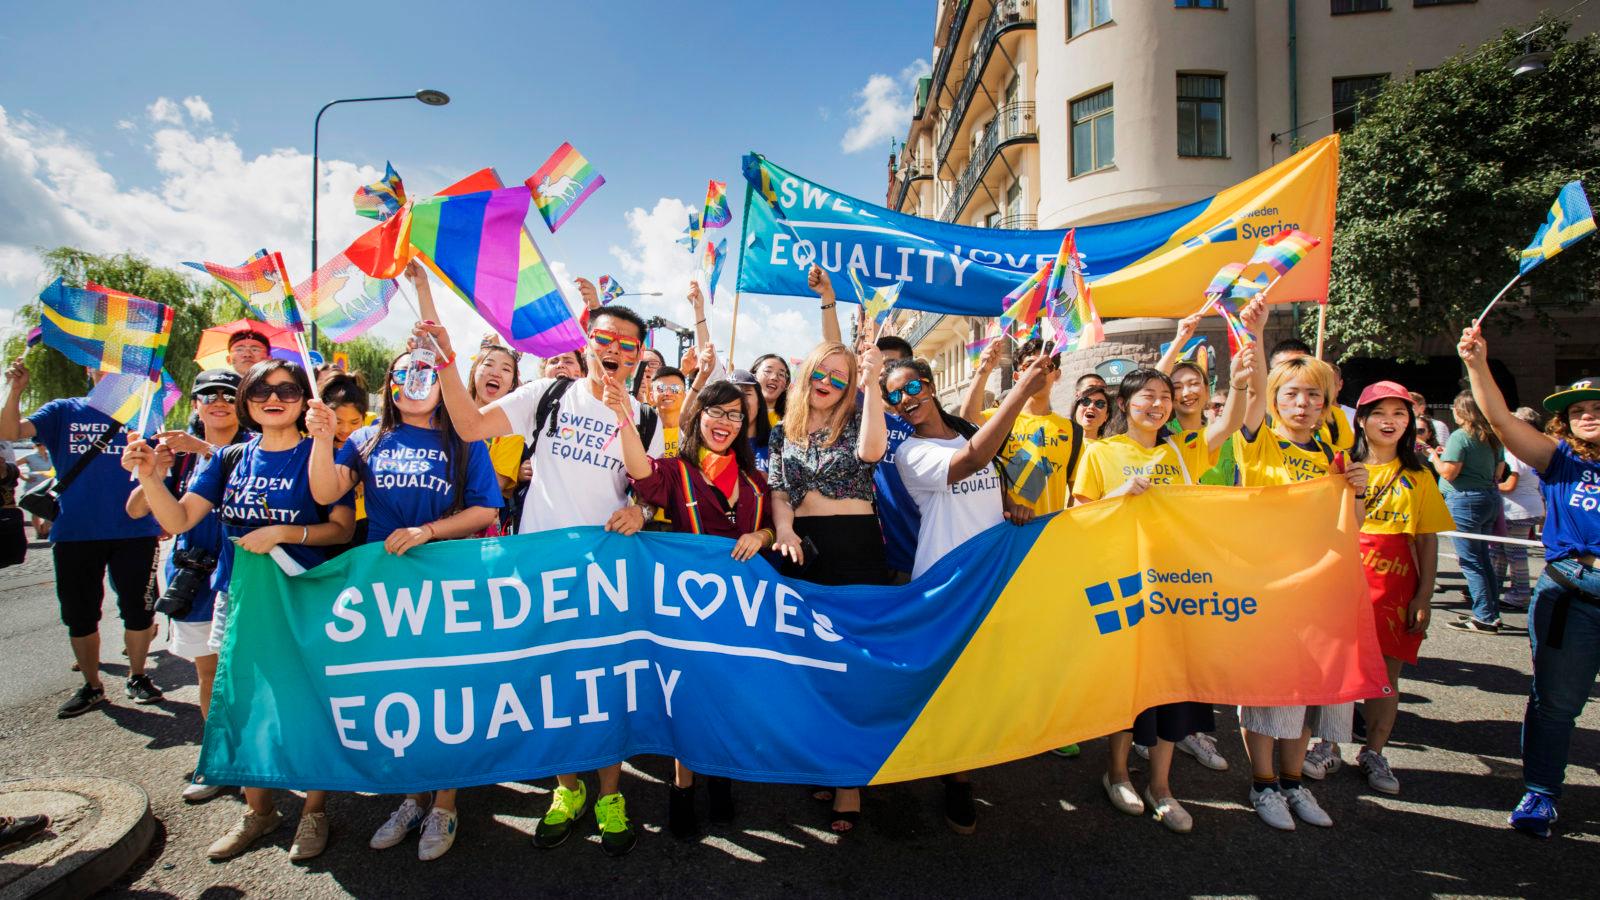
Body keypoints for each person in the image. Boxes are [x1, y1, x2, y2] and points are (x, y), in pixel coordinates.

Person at [416, 261, 662, 858]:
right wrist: (449, 360)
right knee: (552, 686)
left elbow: (645, 483)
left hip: (606, 576)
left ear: (637, 357)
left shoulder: (646, 416)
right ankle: (566, 790)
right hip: (537, 571)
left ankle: (610, 796)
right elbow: (470, 425)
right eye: (603, 339)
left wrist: (645, 510)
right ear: (586, 342)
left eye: (627, 346)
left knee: (604, 688)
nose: (614, 351)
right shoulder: (548, 393)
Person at [125, 359, 355, 862]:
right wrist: (151, 478)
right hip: (238, 598)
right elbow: (181, 518)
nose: (275, 398)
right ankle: (260, 811)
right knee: (245, 704)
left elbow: (340, 528)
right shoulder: (229, 459)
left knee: (308, 703)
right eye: (261, 391)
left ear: (304, 399)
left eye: (289, 390)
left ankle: (314, 811)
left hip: (304, 597)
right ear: (247, 400)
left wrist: (285, 533)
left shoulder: (327, 454)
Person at [306, 350, 501, 862]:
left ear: (442, 383)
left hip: (446, 580)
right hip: (385, 586)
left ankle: (445, 804)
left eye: (426, 373)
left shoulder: (462, 438)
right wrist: (325, 438)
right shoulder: (369, 437)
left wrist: (428, 531)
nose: (415, 382)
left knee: (445, 691)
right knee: (400, 689)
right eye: (403, 373)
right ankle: (412, 798)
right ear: (389, 384)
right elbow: (327, 490)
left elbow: (486, 509)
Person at [1072, 347, 1253, 835]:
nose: (1157, 405)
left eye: (1165, 397)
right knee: (1127, 683)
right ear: (1125, 403)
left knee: (1172, 685)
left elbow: (1231, 424)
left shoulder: (1182, 449)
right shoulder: (1100, 453)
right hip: (1125, 585)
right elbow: (1078, 515)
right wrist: (1118, 496)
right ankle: (1116, 773)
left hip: (1177, 587)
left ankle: (1162, 785)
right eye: (1147, 396)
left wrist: (1237, 383)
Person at [885, 353, 1051, 835]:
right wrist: (1019, 391)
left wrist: (1015, 505)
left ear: (930, 386)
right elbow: (971, 461)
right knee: (945, 682)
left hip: (993, 573)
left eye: (911, 388)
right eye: (894, 397)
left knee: (979, 677)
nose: (904, 401)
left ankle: (960, 765)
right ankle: (943, 770)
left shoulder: (970, 428)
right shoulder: (909, 453)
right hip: (945, 580)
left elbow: (1024, 477)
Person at [613, 378, 771, 839]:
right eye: (716, 412)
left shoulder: (756, 482)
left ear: (744, 425)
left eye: (735, 415)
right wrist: (625, 412)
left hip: (738, 613)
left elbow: (774, 534)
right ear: (698, 415)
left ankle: (719, 776)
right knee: (686, 701)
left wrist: (760, 536)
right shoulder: (675, 470)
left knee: (727, 698)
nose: (725, 422)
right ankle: (682, 787)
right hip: (685, 613)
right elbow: (639, 473)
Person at [1458, 326, 1600, 839]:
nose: (1588, 414)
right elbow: (1497, 416)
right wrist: (1478, 365)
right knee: (1556, 701)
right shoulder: (1557, 459)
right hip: (1571, 594)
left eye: (1597, 407)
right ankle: (1541, 792)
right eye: (1579, 409)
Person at [1232, 340, 1370, 831]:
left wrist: (1359, 491)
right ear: (1274, 399)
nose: (1302, 404)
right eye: (1291, 394)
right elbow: (1247, 405)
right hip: (1270, 586)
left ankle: (1293, 782)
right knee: (1270, 689)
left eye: (1314, 395)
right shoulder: (1259, 440)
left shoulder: (1336, 456)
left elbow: (1350, 524)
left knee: (1309, 688)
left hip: (1321, 590)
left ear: (1327, 404)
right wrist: (1260, 330)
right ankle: (1263, 784)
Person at [768, 328, 885, 834]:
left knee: (853, 665)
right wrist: (787, 527)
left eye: (842, 375)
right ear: (806, 373)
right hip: (804, 549)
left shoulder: (860, 416)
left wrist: (874, 385)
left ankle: (849, 782)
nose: (829, 380)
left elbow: (874, 453)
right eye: (821, 370)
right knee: (812, 664)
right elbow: (777, 489)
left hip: (856, 547)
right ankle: (827, 760)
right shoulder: (781, 432)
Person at [1, 359, 164, 718]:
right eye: (102, 368)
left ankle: (138, 676)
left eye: (120, 369)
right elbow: (9, 431)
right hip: (76, 533)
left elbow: (161, 469)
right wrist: (15, 390)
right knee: (79, 614)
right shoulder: (62, 410)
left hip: (135, 531)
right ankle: (92, 686)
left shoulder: (147, 415)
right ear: (89, 373)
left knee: (140, 610)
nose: (110, 375)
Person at [126, 369, 248, 802]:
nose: (219, 401)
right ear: (195, 404)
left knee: (253, 673)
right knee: (208, 671)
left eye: (229, 395)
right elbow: (139, 509)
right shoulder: (174, 453)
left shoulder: (257, 443)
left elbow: (246, 469)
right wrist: (152, 472)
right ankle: (218, 756)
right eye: (208, 394)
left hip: (243, 573)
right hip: (194, 576)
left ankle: (262, 759)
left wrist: (204, 449)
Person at [1346, 380, 1453, 796]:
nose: (1390, 422)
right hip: (1345, 578)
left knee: (1386, 674)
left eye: (1400, 414)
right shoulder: (1340, 465)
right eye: (1379, 413)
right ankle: (1325, 743)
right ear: (1362, 419)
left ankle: (1374, 750)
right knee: (1338, 666)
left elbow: (1427, 538)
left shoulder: (1419, 474)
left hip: (1395, 584)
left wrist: (1424, 596)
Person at [961, 338, 1083, 518]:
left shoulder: (1073, 431)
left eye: (1046, 366)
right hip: (1005, 531)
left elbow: (1076, 494)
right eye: (1029, 366)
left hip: (1047, 536)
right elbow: (968, 420)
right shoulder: (1000, 418)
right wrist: (983, 371)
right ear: (1017, 376)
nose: (1038, 372)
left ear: (1056, 375)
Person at [1436, 390, 1508, 634]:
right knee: (1482, 558)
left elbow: (1449, 472)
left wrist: (1433, 458)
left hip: (1464, 500)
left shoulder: (1460, 436)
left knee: (1471, 560)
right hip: (1488, 497)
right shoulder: (1492, 437)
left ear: (1462, 411)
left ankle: (1485, 617)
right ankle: (1491, 612)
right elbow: (1499, 472)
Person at [871, 335, 920, 581]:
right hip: (869, 555)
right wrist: (828, 300)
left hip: (913, 554)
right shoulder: (864, 414)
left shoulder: (923, 421)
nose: (881, 371)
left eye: (889, 364)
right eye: (878, 363)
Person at [467, 337, 526, 534]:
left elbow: (491, 487)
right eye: (489, 364)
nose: (496, 373)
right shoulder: (446, 417)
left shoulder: (512, 435)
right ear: (475, 371)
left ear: (512, 384)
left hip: (475, 534)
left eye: (506, 369)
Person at [1494, 407, 1546, 612]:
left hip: (1517, 510)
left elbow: (1509, 486)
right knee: (1504, 552)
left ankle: (1520, 594)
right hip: (1529, 506)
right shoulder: (1536, 450)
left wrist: (1489, 486)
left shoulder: (1515, 453)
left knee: (1515, 554)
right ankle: (1498, 587)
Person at [16, 438, 52, 539]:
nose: (42, 446)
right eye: (39, 444)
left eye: (43, 444)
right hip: (33, 488)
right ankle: (39, 532)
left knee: (50, 510)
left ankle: (45, 531)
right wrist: (24, 478)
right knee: (35, 512)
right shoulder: (30, 457)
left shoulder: (52, 455)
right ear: (35, 446)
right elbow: (14, 465)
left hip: (49, 487)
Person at [751, 353, 792, 425]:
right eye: (768, 371)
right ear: (753, 375)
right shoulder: (739, 414)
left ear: (786, 385)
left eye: (781, 374)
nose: (774, 377)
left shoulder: (790, 422)